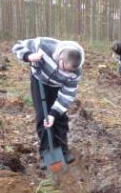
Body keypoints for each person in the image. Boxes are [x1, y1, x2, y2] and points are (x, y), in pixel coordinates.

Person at [12, 37, 85, 170]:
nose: (66, 72)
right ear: (60, 57)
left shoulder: (76, 71)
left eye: (70, 72)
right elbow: (17, 46)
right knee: (42, 118)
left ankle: (63, 150)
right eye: (64, 68)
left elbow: (67, 94)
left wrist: (54, 113)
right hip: (39, 80)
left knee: (59, 117)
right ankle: (47, 154)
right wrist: (29, 56)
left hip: (58, 86)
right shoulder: (44, 45)